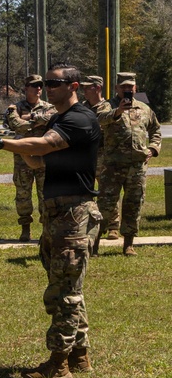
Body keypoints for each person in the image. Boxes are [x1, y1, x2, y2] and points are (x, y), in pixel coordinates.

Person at [0, 63, 100, 378]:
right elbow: (37, 160)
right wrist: (20, 143)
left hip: (74, 213)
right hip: (57, 212)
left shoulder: (79, 118)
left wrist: (1, 142)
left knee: (64, 292)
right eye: (46, 83)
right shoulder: (58, 119)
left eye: (54, 83)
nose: (48, 88)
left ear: (73, 86)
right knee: (66, 286)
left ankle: (58, 365)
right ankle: (79, 356)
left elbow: (45, 146)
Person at [97, 72, 161, 255]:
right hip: (113, 165)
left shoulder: (144, 108)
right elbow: (99, 120)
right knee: (105, 204)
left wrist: (153, 148)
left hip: (137, 166)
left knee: (134, 203)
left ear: (135, 88)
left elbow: (155, 130)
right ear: (116, 88)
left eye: (130, 87)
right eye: (123, 86)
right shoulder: (107, 106)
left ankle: (128, 244)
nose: (127, 89)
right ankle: (94, 243)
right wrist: (118, 112)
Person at [4, 74, 56, 241]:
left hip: (43, 156)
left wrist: (31, 117)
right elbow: (16, 124)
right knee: (23, 194)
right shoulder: (15, 107)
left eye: (40, 85)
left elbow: (52, 119)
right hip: (22, 158)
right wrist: (38, 122)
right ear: (26, 88)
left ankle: (45, 229)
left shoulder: (49, 106)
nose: (38, 88)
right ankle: (25, 228)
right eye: (34, 85)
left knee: (45, 194)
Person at [80, 75, 110, 254]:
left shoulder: (107, 108)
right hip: (85, 156)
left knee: (106, 193)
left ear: (98, 88)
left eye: (87, 87)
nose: (84, 90)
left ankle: (111, 226)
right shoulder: (82, 106)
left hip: (102, 156)